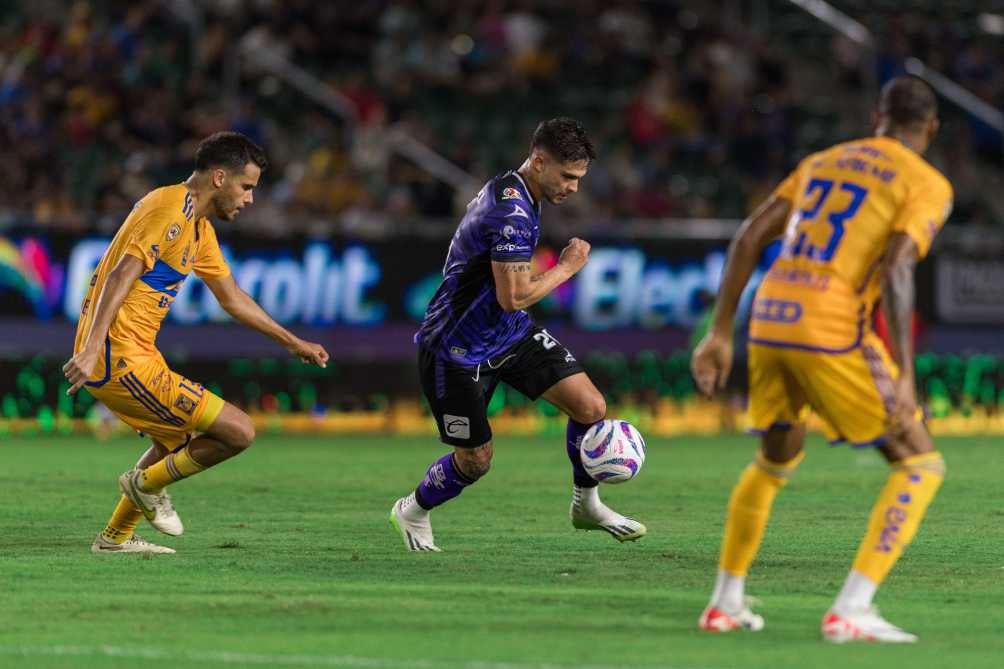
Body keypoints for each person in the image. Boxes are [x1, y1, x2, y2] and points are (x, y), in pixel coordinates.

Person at [690, 76, 953, 642]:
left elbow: (750, 236)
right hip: (830, 325)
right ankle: (852, 609)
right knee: (920, 463)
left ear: (877, 116)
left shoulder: (823, 160)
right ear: (929, 129)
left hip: (769, 316)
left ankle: (724, 603)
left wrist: (718, 333)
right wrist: (905, 374)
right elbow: (901, 266)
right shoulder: (927, 182)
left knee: (775, 458)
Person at [63, 132, 330, 554]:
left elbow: (233, 298)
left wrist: (292, 342)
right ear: (220, 178)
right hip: (118, 359)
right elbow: (118, 277)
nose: (250, 199)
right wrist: (93, 348)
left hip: (136, 356)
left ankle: (114, 539)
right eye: (247, 187)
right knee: (237, 432)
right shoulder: (168, 208)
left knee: (174, 444)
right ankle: (144, 485)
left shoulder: (198, 228)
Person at [390, 118, 645, 551]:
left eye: (580, 178)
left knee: (590, 405)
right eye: (567, 176)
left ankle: (586, 505)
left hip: (507, 335)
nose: (573, 188)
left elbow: (508, 307)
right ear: (540, 161)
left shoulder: (518, 188)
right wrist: (567, 267)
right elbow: (515, 296)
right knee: (475, 461)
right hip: (457, 350)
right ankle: (413, 509)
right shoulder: (510, 212)